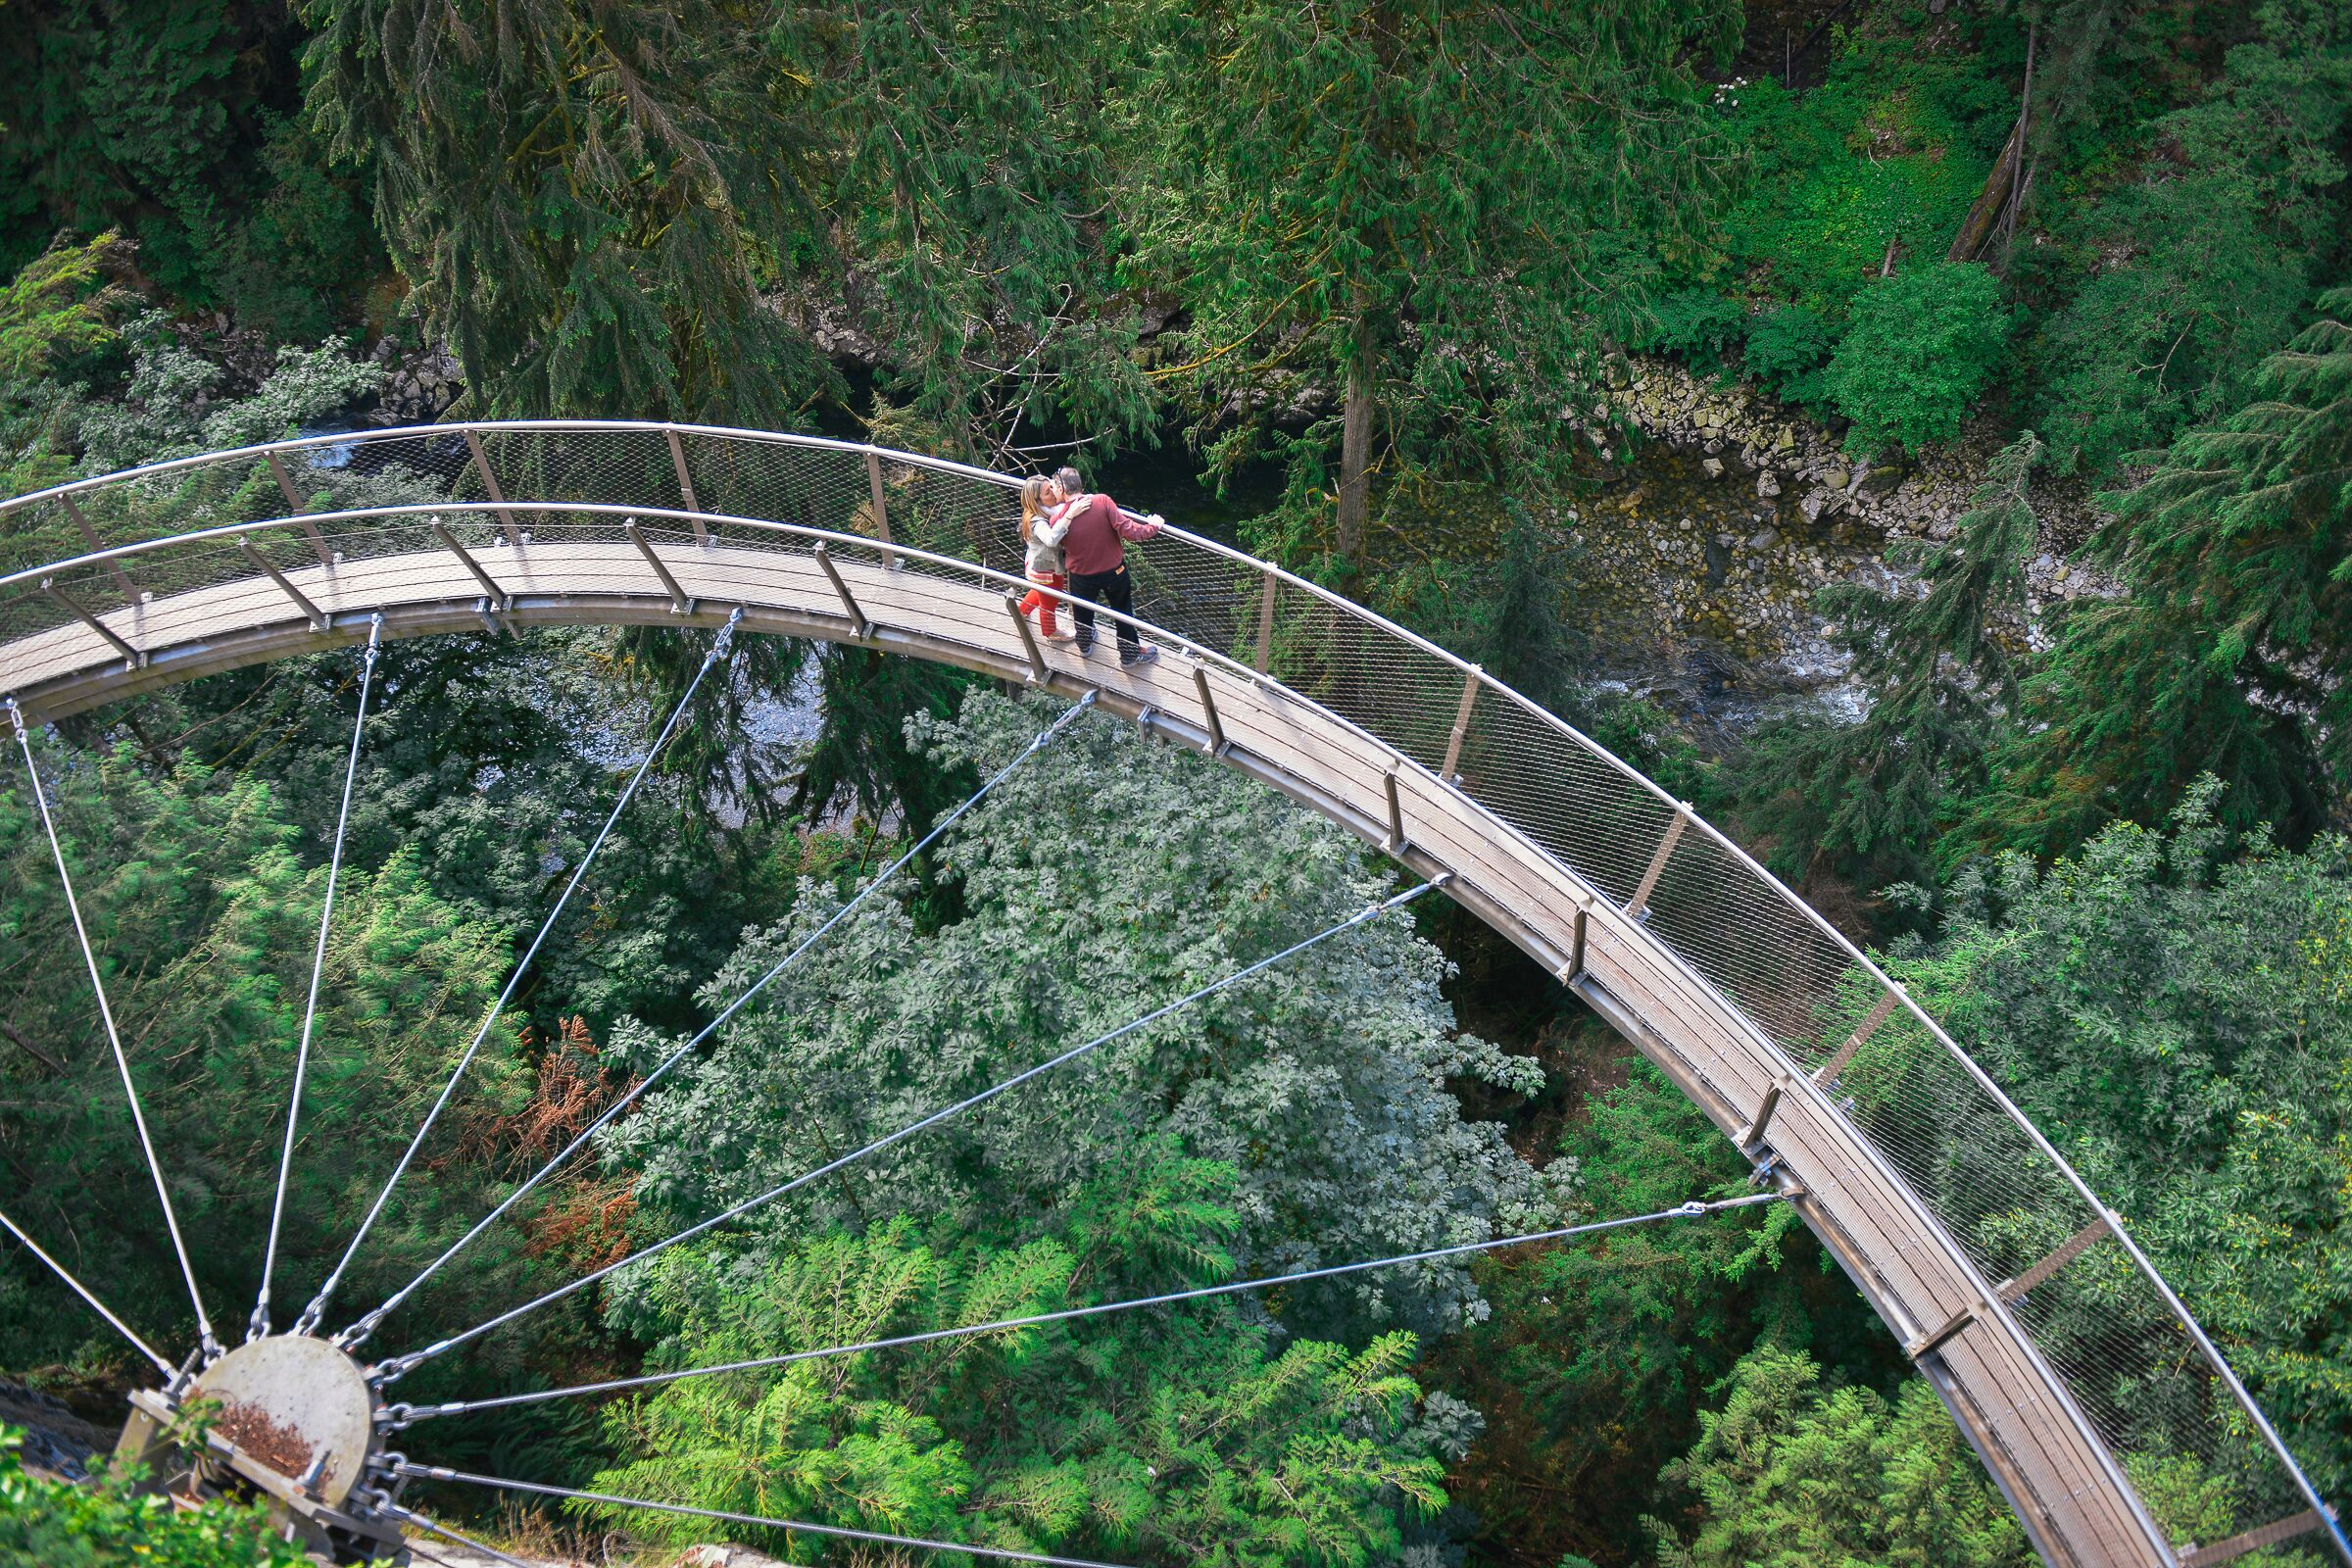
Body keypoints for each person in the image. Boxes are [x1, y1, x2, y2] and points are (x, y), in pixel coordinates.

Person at [1052, 465, 1163, 666]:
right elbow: (1130, 531)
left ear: (1061, 489)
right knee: (1123, 611)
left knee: (1082, 611)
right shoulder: (1102, 502)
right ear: (1080, 485)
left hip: (1081, 576)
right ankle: (1129, 656)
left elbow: (1056, 542)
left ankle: (1084, 645)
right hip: (1115, 572)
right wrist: (1153, 526)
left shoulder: (1057, 520)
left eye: (1053, 487)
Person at [1015, 475, 1075, 641]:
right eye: (1048, 492)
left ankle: (1021, 611)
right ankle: (1050, 632)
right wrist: (1069, 517)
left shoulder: (1042, 511)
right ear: (1037, 500)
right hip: (1044, 570)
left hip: (1039, 565)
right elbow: (1050, 539)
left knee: (1042, 592)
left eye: (1052, 488)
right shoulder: (1037, 521)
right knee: (1050, 599)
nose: (1054, 494)